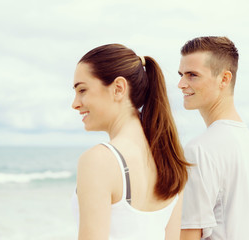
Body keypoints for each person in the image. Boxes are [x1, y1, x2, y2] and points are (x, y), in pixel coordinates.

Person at [71, 43, 190, 240]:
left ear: (118, 88)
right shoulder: (171, 159)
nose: (75, 103)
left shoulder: (98, 160)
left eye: (82, 90)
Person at [178, 37, 249, 240]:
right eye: (181, 74)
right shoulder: (248, 140)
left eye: (192, 75)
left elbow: (189, 234)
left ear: (224, 79)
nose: (181, 84)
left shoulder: (199, 149)